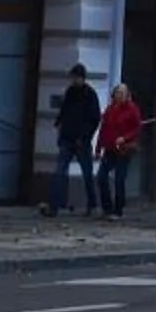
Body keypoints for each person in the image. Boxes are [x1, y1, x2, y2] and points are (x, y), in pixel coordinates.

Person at [44, 64, 101, 216]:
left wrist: (84, 137)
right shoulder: (70, 92)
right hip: (67, 138)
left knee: (87, 173)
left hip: (81, 141)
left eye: (76, 78)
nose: (73, 80)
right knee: (59, 172)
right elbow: (65, 111)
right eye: (72, 77)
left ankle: (92, 204)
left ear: (82, 78)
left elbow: (94, 119)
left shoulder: (90, 94)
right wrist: (59, 126)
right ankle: (54, 206)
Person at [95, 82, 143, 220]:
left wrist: (125, 138)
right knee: (101, 177)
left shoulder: (132, 109)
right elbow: (103, 129)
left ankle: (118, 209)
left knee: (119, 179)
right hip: (110, 148)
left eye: (123, 93)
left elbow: (137, 128)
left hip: (124, 149)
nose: (120, 95)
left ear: (127, 95)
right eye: (118, 93)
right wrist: (98, 148)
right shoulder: (110, 109)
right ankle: (107, 208)